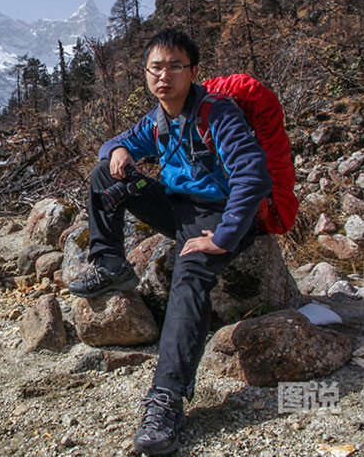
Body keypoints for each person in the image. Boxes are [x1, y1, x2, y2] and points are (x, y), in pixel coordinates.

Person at [68, 29, 272, 455]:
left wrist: (224, 236)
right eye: (156, 67)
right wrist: (118, 150)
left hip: (217, 214)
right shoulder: (157, 119)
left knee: (189, 273)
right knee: (105, 172)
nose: (165, 75)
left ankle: (166, 398)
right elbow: (119, 141)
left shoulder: (218, 113)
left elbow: (253, 175)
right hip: (177, 207)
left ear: (193, 72)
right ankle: (110, 264)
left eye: (175, 66)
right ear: (146, 74)